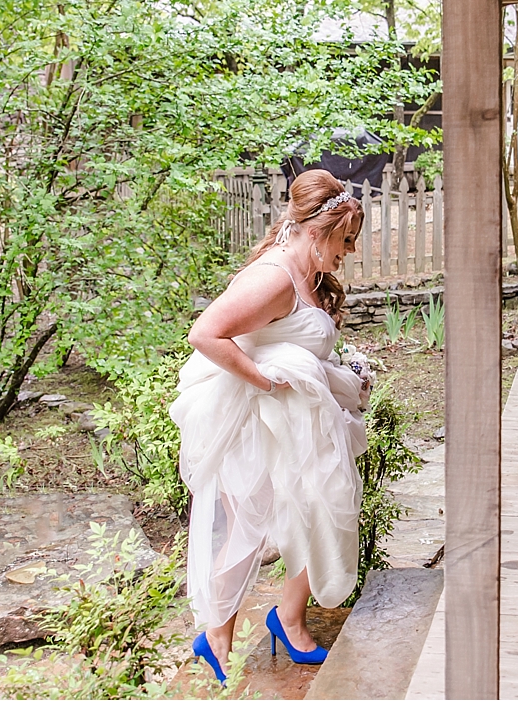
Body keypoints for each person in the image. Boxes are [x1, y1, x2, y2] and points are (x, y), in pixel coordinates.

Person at [171, 169, 369, 684]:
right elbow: (206, 334)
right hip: (256, 420)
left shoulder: (305, 275)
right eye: (345, 241)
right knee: (257, 525)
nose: (348, 252)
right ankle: (222, 634)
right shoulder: (274, 277)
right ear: (318, 229)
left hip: (288, 421)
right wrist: (262, 379)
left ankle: (282, 620)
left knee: (308, 511)